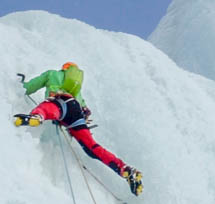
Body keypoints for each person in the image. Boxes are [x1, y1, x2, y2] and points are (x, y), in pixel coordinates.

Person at [14, 61, 144, 196]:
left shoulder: (53, 74)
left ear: (64, 69)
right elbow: (84, 107)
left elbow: (29, 87)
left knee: (48, 107)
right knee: (91, 147)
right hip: (76, 112)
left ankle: (37, 116)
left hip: (60, 103)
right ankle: (124, 169)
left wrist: (21, 85)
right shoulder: (76, 89)